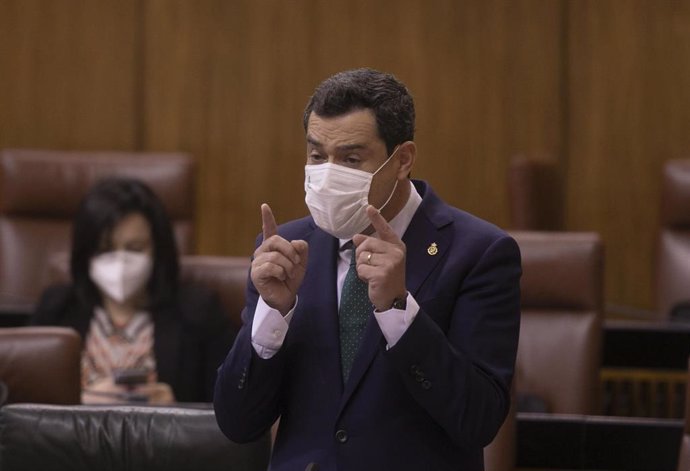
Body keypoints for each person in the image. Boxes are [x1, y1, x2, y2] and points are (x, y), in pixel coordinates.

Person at [214, 68, 521, 470]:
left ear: (402, 160)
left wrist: (398, 310)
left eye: (351, 159)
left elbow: (478, 421)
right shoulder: (284, 252)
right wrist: (273, 315)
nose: (328, 174)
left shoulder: (479, 253)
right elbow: (238, 423)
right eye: (317, 156)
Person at [32, 177, 236, 404]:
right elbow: (26, 404)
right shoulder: (56, 308)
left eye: (135, 248)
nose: (120, 261)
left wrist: (177, 408)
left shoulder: (199, 311)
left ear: (158, 249)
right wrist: (78, 402)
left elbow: (231, 411)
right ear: (85, 254)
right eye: (104, 250)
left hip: (165, 438)